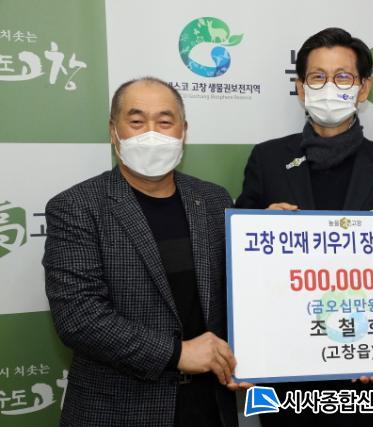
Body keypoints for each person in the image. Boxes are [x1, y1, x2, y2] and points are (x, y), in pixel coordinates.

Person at [235, 28, 373, 426]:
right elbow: (239, 261)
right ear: (300, 88)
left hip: (363, 364)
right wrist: (261, 229)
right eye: (317, 77)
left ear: (364, 88)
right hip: (282, 364)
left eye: (343, 77)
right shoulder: (267, 160)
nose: (329, 87)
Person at [43, 77, 244, 427]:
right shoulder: (76, 207)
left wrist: (272, 237)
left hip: (210, 405)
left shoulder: (214, 200)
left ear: (183, 131)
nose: (151, 133)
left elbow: (237, 292)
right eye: (136, 121)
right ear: (114, 131)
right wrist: (177, 353)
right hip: (120, 409)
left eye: (165, 122)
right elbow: (79, 317)